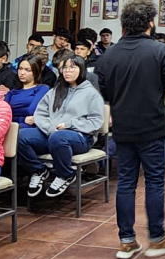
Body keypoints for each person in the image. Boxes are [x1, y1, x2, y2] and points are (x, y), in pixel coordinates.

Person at [97, 0, 165, 259]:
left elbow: (104, 92)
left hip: (123, 129)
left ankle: (126, 241)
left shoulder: (109, 55)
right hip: (151, 128)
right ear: (151, 23)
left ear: (124, 24)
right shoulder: (159, 51)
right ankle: (157, 238)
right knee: (154, 182)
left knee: (125, 183)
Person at [19, 55, 105, 199]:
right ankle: (39, 170)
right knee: (21, 136)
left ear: (81, 70)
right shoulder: (55, 91)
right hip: (51, 134)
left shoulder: (91, 94)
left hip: (80, 137)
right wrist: (50, 128)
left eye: (72, 67)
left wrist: (70, 125)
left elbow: (96, 122)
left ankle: (65, 174)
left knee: (59, 137)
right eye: (65, 67)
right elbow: (40, 113)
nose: (68, 71)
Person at [5, 55, 49, 126]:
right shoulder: (12, 92)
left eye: (27, 70)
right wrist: (22, 119)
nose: (22, 73)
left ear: (35, 72)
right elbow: (4, 114)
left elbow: (31, 111)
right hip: (12, 125)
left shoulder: (42, 88)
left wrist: (12, 112)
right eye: (20, 69)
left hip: (30, 127)